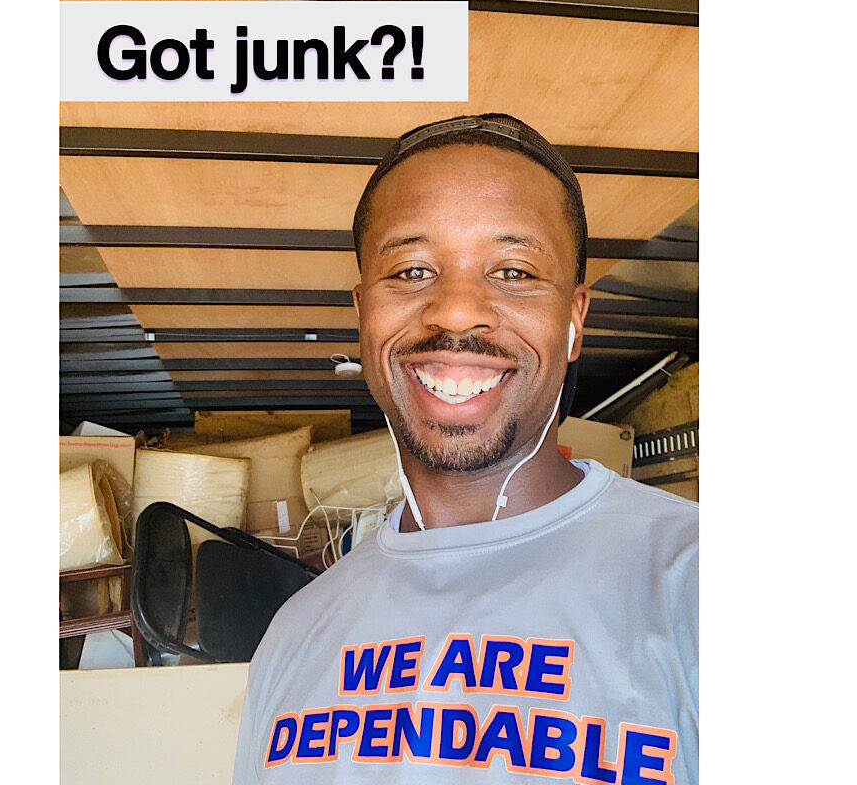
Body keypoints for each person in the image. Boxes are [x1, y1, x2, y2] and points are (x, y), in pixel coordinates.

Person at [232, 114, 698, 784]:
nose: (455, 311)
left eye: (513, 270)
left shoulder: (692, 586)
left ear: (575, 320)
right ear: (363, 314)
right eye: (413, 269)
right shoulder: (295, 634)